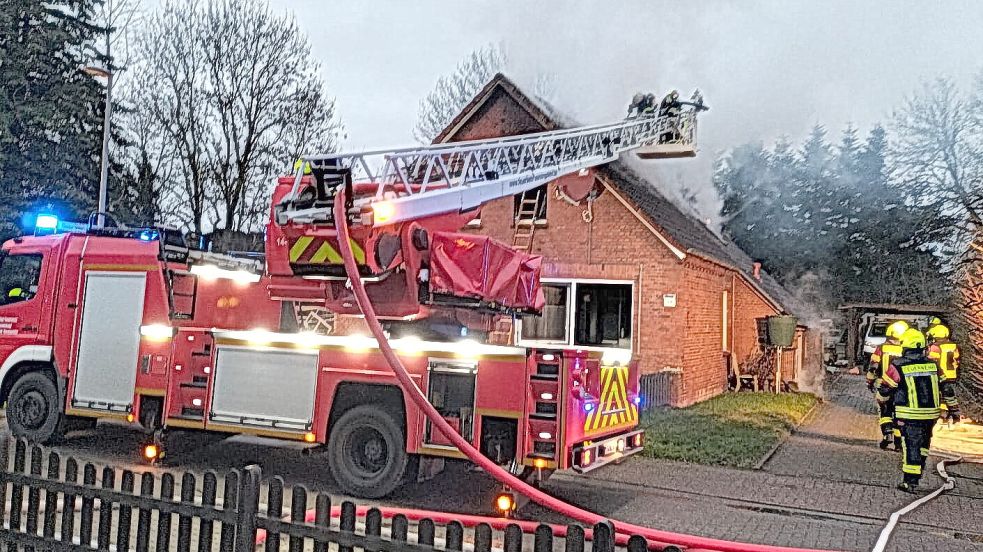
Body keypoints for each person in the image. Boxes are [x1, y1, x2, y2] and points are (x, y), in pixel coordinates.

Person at [877, 328, 957, 492]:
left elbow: (885, 389)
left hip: (908, 414)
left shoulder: (897, 366)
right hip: (930, 415)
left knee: (910, 446)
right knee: (923, 445)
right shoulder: (933, 365)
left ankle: (910, 481)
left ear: (905, 346)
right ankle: (918, 471)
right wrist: (954, 409)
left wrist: (884, 403)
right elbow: (947, 389)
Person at [867, 320, 908, 449]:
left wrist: (870, 381)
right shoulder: (906, 350)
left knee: (885, 410)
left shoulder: (881, 348)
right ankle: (898, 441)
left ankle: (887, 434)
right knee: (898, 413)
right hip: (902, 388)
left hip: (883, 385)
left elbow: (873, 367)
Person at [927, 324, 961, 425]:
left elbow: (932, 362)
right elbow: (957, 359)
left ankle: (943, 415)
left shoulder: (934, 347)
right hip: (951, 375)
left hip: (940, 375)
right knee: (950, 396)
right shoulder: (953, 345)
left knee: (939, 395)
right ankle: (955, 415)